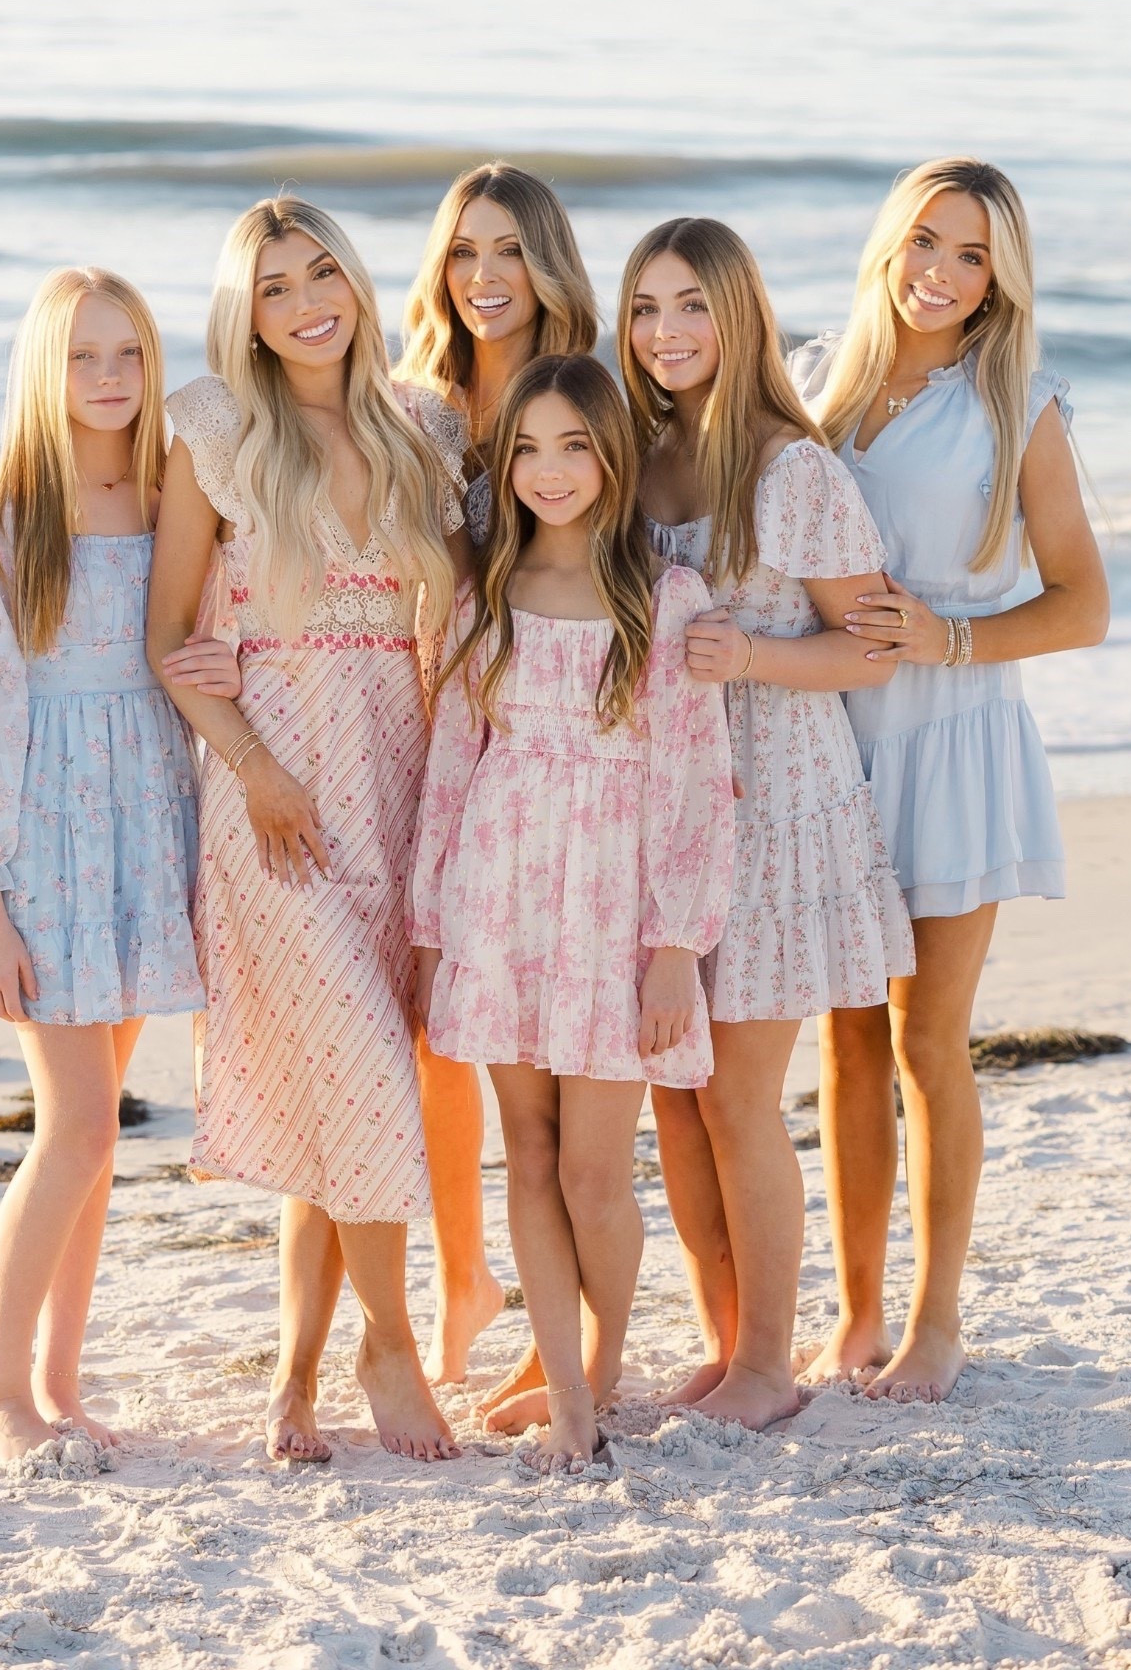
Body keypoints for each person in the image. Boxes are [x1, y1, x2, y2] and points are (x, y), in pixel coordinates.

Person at [147, 196, 465, 1463]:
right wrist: (259, 770)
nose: (306, 301)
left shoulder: (424, 424)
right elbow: (173, 639)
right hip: (271, 798)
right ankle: (390, 1341)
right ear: (248, 311)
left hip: (397, 779)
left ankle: (293, 1379)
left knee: (347, 1090)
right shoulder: (217, 428)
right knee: (363, 1069)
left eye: (321, 270)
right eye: (274, 286)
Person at [790, 157, 1109, 1402]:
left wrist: (953, 636)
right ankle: (855, 1314)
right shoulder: (818, 376)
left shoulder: (1016, 401)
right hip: (829, 732)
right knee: (844, 1036)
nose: (939, 271)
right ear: (889, 241)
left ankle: (935, 1324)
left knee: (929, 1039)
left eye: (971, 254)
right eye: (926, 240)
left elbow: (1083, 603)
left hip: (956, 732)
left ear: (999, 277)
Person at [0, 266, 240, 1468]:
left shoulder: (171, 495)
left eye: (129, 354)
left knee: (95, 1138)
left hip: (142, 827)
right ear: (42, 374)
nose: (108, 379)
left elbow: (202, 645)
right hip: (44, 837)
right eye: (82, 357)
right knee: (81, 1130)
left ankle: (60, 1380)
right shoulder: (4, 518)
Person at [409, 355, 735, 1471]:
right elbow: (453, 770)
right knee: (528, 1156)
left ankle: (598, 1361)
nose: (551, 471)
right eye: (530, 449)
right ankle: (574, 1399)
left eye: (576, 446)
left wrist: (675, 947)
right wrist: (431, 928)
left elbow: (696, 783)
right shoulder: (483, 594)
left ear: (614, 455)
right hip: (499, 900)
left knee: (597, 1171)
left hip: (612, 908)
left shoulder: (666, 598)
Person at [619, 217, 913, 1428]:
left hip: (780, 798)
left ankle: (767, 1364)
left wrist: (753, 654)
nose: (667, 333)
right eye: (644, 308)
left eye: (690, 305)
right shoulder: (633, 457)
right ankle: (723, 1340)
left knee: (738, 1094)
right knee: (671, 1092)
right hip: (663, 807)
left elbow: (874, 648)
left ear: (736, 314)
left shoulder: (794, 471)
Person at [393, 160, 597, 1388]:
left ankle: (556, 1330)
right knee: (436, 1029)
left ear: (547, 260)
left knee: (557, 1062)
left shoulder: (581, 399)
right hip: (414, 719)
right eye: (464, 251)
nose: (484, 275)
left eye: (510, 249)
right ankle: (465, 1273)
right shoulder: (413, 406)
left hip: (542, 749)